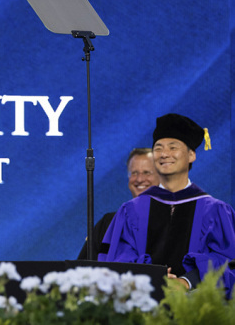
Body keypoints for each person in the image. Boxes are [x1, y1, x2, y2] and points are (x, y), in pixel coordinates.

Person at [98, 114, 235, 292]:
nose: (164, 154)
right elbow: (117, 260)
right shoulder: (131, 210)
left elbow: (228, 261)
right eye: (158, 148)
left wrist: (187, 281)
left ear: (191, 155)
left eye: (173, 147)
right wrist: (153, 276)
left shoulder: (216, 211)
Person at [78, 148, 159, 259]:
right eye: (134, 173)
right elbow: (82, 268)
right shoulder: (108, 224)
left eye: (147, 172)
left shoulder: (170, 222)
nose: (139, 179)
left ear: (161, 177)